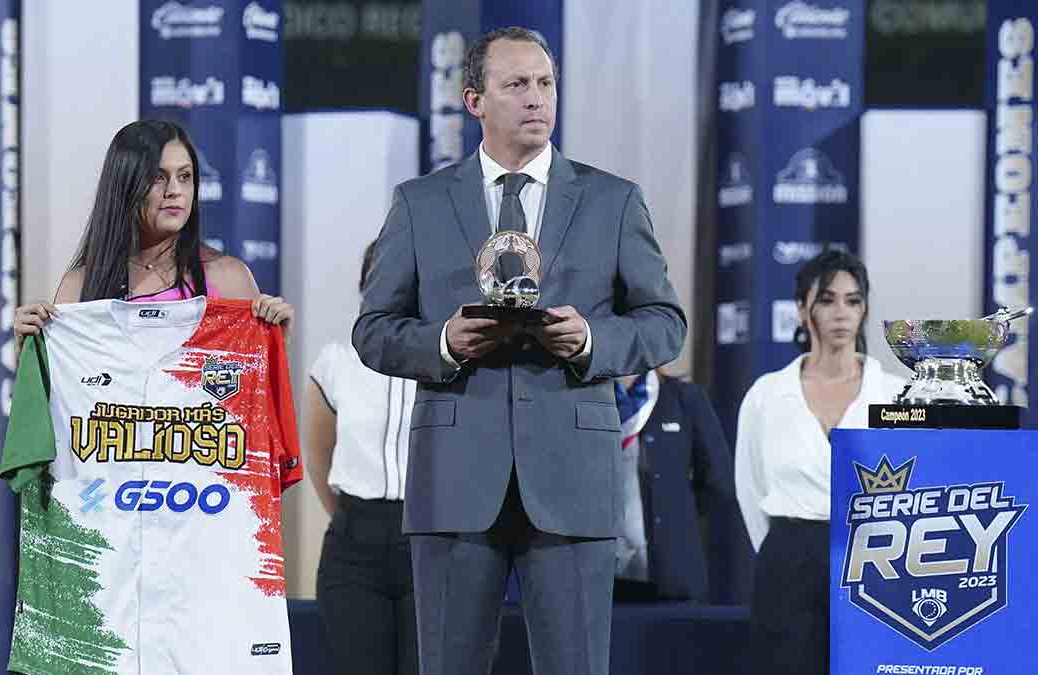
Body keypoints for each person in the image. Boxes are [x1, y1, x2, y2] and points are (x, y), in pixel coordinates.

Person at [352, 26, 686, 675]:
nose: (536, 98)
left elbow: (664, 323)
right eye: (516, 85)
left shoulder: (613, 200)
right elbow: (373, 330)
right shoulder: (419, 204)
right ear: (475, 99)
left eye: (545, 83)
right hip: (454, 480)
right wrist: (442, 342)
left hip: (573, 477)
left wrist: (590, 339)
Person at [735, 250, 905, 674]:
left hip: (880, 555)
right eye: (827, 299)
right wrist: (792, 550)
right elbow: (750, 488)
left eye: (853, 300)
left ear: (865, 310)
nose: (841, 312)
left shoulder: (898, 395)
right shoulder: (767, 395)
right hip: (789, 561)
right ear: (801, 309)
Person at [12, 119, 292, 339]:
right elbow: (62, 399)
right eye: (158, 177)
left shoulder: (229, 278)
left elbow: (255, 396)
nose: (175, 191)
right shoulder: (80, 287)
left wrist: (277, 338)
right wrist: (29, 349)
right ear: (125, 185)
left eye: (185, 176)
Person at [303, 241, 418, 675]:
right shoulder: (335, 363)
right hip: (354, 551)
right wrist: (352, 521)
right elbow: (317, 458)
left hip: (432, 545)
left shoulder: (454, 366)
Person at [613, 369, 734, 603]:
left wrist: (676, 516)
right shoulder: (584, 399)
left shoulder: (686, 398)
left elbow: (720, 483)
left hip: (672, 576)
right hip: (602, 580)